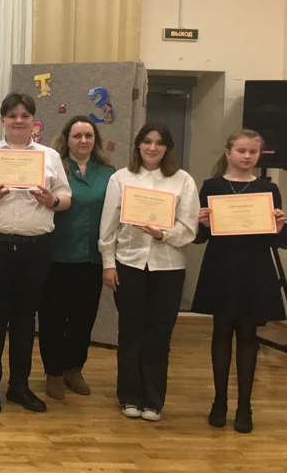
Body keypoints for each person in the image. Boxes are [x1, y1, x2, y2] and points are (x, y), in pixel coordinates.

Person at [0, 93, 71, 413]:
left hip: (35, 247)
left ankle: (19, 386)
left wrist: (51, 200)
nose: (19, 121)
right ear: (3, 120)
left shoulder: (50, 156)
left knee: (25, 318)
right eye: (12, 116)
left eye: (24, 115)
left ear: (33, 120)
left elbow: (65, 198)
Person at [99, 122, 199, 422]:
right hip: (129, 264)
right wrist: (108, 263)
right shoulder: (121, 178)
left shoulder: (183, 181)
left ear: (167, 148)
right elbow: (108, 226)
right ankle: (129, 395)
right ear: (138, 146)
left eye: (159, 142)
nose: (152, 148)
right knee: (130, 332)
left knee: (159, 334)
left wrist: (162, 234)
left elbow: (189, 229)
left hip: (168, 267)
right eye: (147, 141)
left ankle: (154, 400)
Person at [192, 129, 286, 434]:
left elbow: (275, 240)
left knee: (248, 335)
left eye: (252, 152)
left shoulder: (268, 189)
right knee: (221, 332)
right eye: (241, 150)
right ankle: (219, 401)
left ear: (259, 155)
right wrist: (203, 223)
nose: (247, 156)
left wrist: (279, 227)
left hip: (255, 269)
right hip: (222, 267)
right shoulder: (212, 186)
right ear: (228, 153)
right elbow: (201, 237)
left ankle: (245, 406)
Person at [38, 116, 115, 400]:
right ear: (67, 139)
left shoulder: (108, 173)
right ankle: (53, 372)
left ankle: (74, 369)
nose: (83, 140)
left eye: (88, 135)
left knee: (83, 319)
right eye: (77, 136)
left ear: (95, 140)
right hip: (57, 256)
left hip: (91, 258)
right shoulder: (54, 169)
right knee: (53, 318)